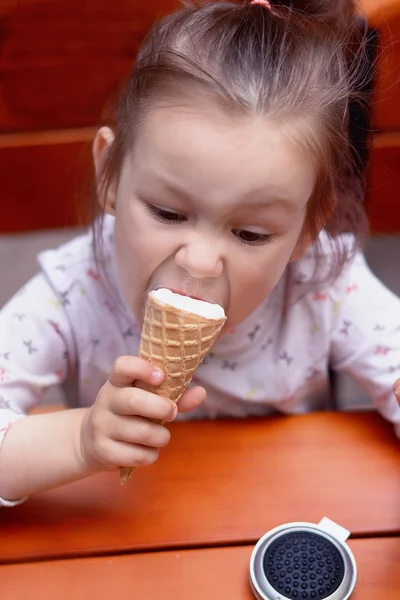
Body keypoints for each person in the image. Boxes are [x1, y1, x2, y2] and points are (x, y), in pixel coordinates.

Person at [0, 0, 399, 507]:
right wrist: (80, 441)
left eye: (251, 234)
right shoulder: (73, 293)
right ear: (112, 176)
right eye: (168, 213)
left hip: (283, 519)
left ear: (306, 231)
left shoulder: (326, 286)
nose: (200, 261)